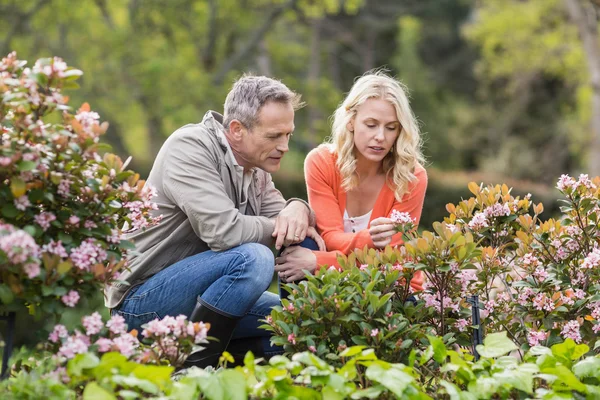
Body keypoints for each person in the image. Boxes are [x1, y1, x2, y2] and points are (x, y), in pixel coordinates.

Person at [105, 75, 324, 368]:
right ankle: (190, 371)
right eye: (274, 136)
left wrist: (298, 207)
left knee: (292, 327)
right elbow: (224, 233)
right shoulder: (189, 148)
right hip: (141, 304)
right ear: (236, 130)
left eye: (288, 135)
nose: (284, 146)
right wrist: (283, 223)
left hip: (201, 298)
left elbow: (285, 218)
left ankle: (249, 370)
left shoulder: (255, 168)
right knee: (254, 258)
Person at [276, 71, 426, 292]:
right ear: (351, 121)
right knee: (299, 243)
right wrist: (371, 241)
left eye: (391, 127)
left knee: (309, 256)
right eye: (371, 124)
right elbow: (330, 238)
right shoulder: (321, 163)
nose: (381, 137)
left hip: (392, 288)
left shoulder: (411, 176)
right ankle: (293, 325)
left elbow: (389, 261)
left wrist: (319, 262)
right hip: (333, 283)